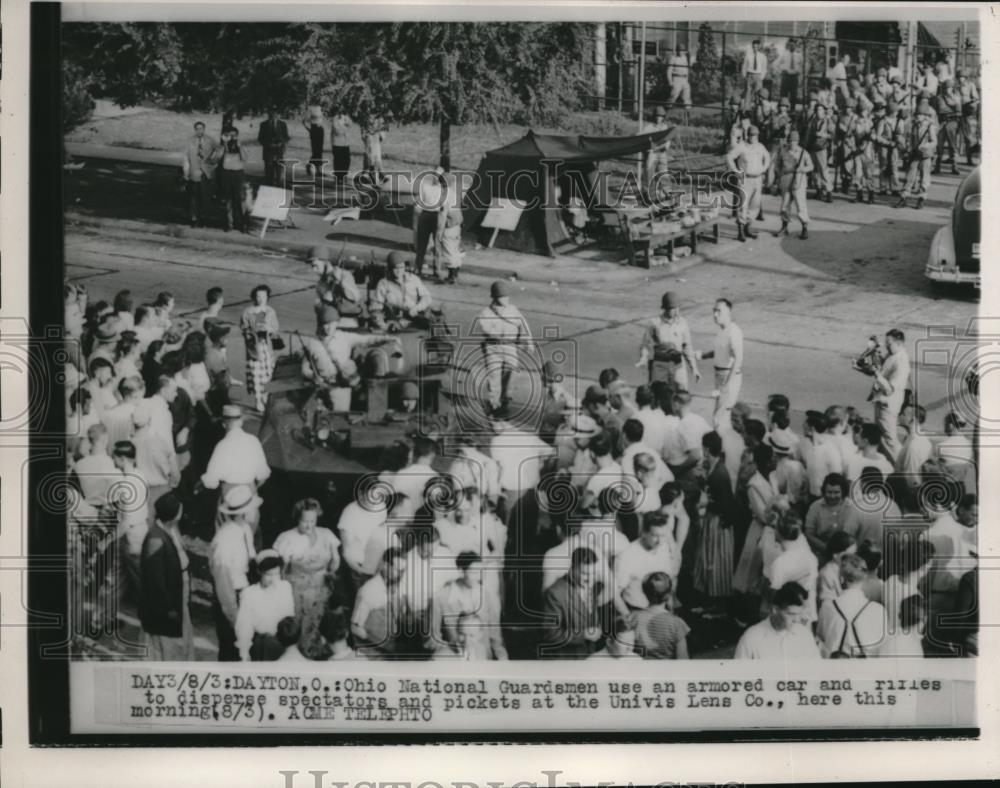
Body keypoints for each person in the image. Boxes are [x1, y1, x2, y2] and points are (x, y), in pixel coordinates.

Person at [273, 498, 341, 659]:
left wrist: (333, 558)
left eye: (313, 520)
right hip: (296, 590)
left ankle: (315, 657)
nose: (309, 525)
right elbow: (281, 569)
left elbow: (334, 564)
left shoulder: (326, 534)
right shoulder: (287, 537)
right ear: (297, 518)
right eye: (304, 521)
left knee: (317, 625)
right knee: (297, 626)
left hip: (320, 589)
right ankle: (296, 659)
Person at [139, 492, 195, 660]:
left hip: (176, 592)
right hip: (167, 603)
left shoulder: (169, 529)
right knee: (165, 645)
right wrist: (168, 608)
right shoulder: (155, 539)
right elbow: (156, 581)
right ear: (173, 516)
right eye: (179, 512)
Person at [209, 485, 259, 660]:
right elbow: (223, 585)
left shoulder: (244, 529)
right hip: (230, 598)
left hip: (244, 593)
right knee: (232, 649)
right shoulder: (224, 542)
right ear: (242, 513)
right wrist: (234, 616)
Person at [692, 431, 738, 613]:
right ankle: (711, 603)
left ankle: (719, 608)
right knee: (710, 562)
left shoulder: (719, 473)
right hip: (715, 520)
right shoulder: (716, 467)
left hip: (718, 523)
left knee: (717, 564)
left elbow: (724, 503)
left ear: (707, 448)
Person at [474, 280, 533, 417]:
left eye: (507, 296)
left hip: (510, 347)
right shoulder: (486, 313)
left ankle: (505, 401)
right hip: (493, 348)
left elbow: (523, 325)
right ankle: (495, 405)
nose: (506, 299)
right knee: (494, 377)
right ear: (495, 297)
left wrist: (528, 341)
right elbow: (485, 328)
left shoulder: (513, 310)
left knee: (511, 373)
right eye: (502, 297)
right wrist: (500, 334)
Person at [432, 551, 507, 659]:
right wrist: (450, 654)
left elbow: (496, 637)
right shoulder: (441, 597)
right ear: (461, 571)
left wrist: (503, 661)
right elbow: (432, 639)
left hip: (484, 662)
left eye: (480, 572)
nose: (479, 577)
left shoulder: (486, 595)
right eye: (474, 572)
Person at [540, 547, 610, 659]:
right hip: (565, 660)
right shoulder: (555, 593)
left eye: (593, 574)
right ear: (572, 568)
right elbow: (550, 634)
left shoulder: (590, 586)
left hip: (587, 657)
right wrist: (584, 634)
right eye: (584, 573)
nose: (590, 579)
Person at [817, 553, 886, 658]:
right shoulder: (878, 610)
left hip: (834, 666)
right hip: (865, 669)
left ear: (841, 579)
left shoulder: (827, 606)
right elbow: (882, 647)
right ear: (864, 580)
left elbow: (822, 636)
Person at [234, 550, 296, 661]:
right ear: (259, 572)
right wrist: (244, 652)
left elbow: (289, 617)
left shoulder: (285, 587)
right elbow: (244, 625)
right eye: (269, 574)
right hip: (262, 645)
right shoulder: (250, 593)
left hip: (283, 643)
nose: (273, 579)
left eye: (277, 574)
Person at [734, 580, 821, 659]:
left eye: (799, 614)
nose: (797, 620)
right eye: (791, 614)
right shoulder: (752, 638)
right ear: (775, 610)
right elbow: (739, 674)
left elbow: (816, 670)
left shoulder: (804, 635)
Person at [636, 291, 700, 390]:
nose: (677, 312)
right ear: (665, 308)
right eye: (673, 309)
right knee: (658, 394)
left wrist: (694, 369)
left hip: (678, 365)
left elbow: (687, 347)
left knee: (681, 395)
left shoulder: (682, 323)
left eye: (678, 308)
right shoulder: (654, 323)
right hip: (660, 366)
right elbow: (645, 344)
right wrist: (643, 357)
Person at [696, 298, 744, 416]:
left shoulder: (733, 332)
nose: (715, 315)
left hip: (728, 377)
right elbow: (720, 351)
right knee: (720, 414)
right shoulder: (722, 330)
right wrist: (703, 355)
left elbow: (738, 359)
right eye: (714, 311)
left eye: (718, 311)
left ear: (728, 313)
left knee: (721, 415)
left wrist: (727, 385)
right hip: (720, 376)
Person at [870, 328, 910, 464]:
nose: (886, 346)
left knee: (890, 440)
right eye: (886, 343)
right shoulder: (892, 354)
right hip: (881, 401)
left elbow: (889, 389)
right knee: (882, 437)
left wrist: (876, 374)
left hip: (888, 404)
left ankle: (901, 467)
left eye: (889, 343)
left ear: (899, 343)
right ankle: (886, 465)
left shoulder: (901, 363)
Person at [239, 284, 280, 413]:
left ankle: (265, 396)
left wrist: (269, 330)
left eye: (263, 296)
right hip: (254, 348)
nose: (261, 299)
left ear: (267, 297)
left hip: (266, 347)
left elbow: (276, 328)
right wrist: (250, 332)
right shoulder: (247, 311)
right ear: (254, 297)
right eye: (258, 296)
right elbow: (243, 327)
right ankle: (258, 400)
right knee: (255, 373)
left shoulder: (270, 311)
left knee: (268, 374)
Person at [370, 251, 434, 331]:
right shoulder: (383, 284)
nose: (399, 271)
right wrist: (383, 326)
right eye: (396, 268)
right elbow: (375, 309)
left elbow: (427, 297)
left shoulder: (413, 279)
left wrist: (417, 308)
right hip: (395, 324)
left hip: (416, 320)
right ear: (389, 268)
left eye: (401, 267)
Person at [727, 125, 770, 241]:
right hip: (745, 178)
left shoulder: (760, 147)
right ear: (747, 135)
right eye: (751, 135)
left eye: (755, 135)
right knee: (743, 204)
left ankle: (748, 227)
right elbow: (729, 157)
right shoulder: (742, 147)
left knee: (755, 204)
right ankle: (740, 230)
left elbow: (767, 157)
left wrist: (764, 168)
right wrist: (735, 171)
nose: (753, 138)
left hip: (758, 178)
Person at [632, 572, 690, 659]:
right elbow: (683, 660)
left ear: (644, 592)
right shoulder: (677, 624)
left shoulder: (634, 618)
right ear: (669, 593)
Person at [804, 473, 860, 557]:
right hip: (820, 551)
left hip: (845, 553)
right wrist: (827, 549)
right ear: (824, 491)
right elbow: (809, 534)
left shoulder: (852, 507)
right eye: (829, 492)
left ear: (843, 492)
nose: (832, 496)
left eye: (836, 492)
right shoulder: (815, 506)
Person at [896, 101, 937, 209]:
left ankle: (921, 198)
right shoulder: (912, 124)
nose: (918, 117)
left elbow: (934, 141)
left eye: (920, 114)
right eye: (917, 114)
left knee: (924, 177)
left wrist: (925, 146)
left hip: (925, 155)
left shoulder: (930, 126)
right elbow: (907, 137)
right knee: (910, 175)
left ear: (925, 116)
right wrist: (906, 146)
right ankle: (904, 197)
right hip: (914, 154)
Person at [772, 129, 813, 239]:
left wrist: (802, 169)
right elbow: (777, 164)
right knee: (785, 205)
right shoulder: (783, 150)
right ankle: (784, 227)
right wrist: (779, 174)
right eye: (790, 141)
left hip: (799, 180)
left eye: (794, 141)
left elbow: (811, 166)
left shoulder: (803, 152)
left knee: (801, 205)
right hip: (786, 178)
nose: (792, 144)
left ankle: (804, 227)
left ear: (798, 142)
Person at [181, 121, 218, 228]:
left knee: (205, 197)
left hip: (206, 173)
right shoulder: (190, 141)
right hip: (194, 172)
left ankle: (204, 219)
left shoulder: (210, 140)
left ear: (204, 129)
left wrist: (213, 163)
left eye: (201, 128)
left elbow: (219, 152)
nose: (199, 131)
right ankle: (194, 219)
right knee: (193, 198)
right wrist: (186, 173)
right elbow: (185, 158)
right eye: (197, 129)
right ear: (195, 130)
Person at [218, 126, 249, 233]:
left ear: (237, 136)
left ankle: (243, 224)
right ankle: (229, 223)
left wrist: (239, 147)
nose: (231, 138)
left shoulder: (241, 145)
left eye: (234, 136)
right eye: (229, 135)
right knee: (228, 199)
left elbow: (245, 158)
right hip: (227, 173)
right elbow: (216, 157)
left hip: (238, 174)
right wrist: (224, 145)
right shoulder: (224, 146)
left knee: (240, 199)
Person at [803, 102, 834, 202]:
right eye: (817, 110)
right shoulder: (812, 121)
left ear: (824, 111)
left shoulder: (828, 121)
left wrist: (823, 135)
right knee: (815, 170)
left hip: (822, 148)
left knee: (823, 170)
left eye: (820, 110)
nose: (818, 112)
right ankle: (819, 189)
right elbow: (808, 134)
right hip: (813, 147)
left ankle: (828, 191)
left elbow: (833, 135)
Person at [257, 108, 290, 187]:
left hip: (280, 153)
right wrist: (267, 144)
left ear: (278, 115)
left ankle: (280, 194)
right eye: (271, 113)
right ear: (268, 114)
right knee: (269, 176)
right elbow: (260, 138)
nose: (273, 115)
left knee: (280, 177)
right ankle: (269, 195)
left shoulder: (282, 124)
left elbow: (286, 137)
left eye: (275, 114)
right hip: (268, 153)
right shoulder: (263, 124)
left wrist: (281, 143)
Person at [645, 106, 672, 193]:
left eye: (660, 116)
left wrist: (666, 146)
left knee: (664, 173)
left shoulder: (664, 127)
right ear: (654, 116)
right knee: (650, 173)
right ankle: (650, 193)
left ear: (663, 117)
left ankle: (667, 192)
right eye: (657, 116)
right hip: (652, 153)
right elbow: (641, 136)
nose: (658, 118)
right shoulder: (649, 127)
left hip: (662, 153)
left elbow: (668, 139)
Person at [302, 106, 326, 191]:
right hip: (314, 129)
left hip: (320, 130)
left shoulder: (320, 107)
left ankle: (318, 170)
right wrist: (310, 130)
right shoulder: (310, 109)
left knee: (319, 151)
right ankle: (311, 166)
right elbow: (304, 121)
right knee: (315, 150)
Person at [667, 44, 692, 120]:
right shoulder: (673, 58)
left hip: (684, 79)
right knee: (673, 97)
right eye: (680, 50)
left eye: (682, 50)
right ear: (677, 51)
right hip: (676, 78)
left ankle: (688, 119)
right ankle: (664, 115)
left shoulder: (684, 58)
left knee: (687, 99)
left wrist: (687, 79)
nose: (681, 52)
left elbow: (686, 69)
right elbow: (669, 70)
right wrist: (670, 81)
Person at [362, 114, 387, 185]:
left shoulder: (379, 126)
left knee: (378, 161)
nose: (372, 120)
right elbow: (364, 137)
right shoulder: (365, 127)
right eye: (370, 118)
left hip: (376, 146)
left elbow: (382, 137)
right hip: (369, 146)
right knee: (370, 161)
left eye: (373, 119)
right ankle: (369, 177)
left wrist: (378, 133)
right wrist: (368, 134)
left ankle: (381, 175)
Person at [330, 109, 353, 187]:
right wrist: (346, 129)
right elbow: (337, 131)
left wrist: (346, 123)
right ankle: (338, 178)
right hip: (337, 143)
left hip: (345, 143)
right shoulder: (335, 119)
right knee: (338, 161)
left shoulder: (346, 118)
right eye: (340, 112)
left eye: (343, 112)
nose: (341, 113)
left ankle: (344, 176)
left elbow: (350, 125)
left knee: (346, 161)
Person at [742, 39, 768, 104]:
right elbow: (744, 67)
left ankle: (757, 111)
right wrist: (745, 76)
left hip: (758, 76)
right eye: (754, 47)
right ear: (752, 47)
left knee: (758, 93)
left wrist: (761, 77)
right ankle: (747, 110)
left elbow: (764, 68)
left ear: (759, 47)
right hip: (749, 75)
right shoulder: (748, 55)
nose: (755, 48)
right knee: (747, 93)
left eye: (756, 47)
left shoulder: (763, 56)